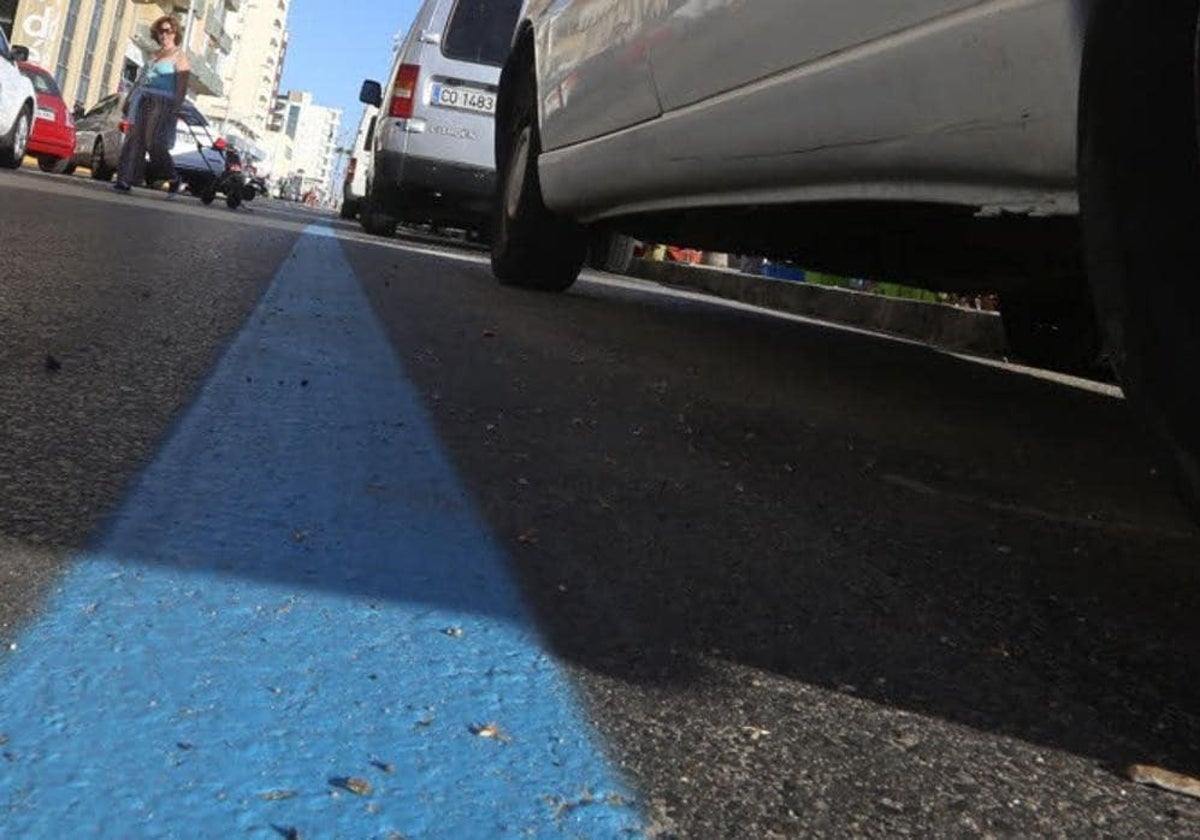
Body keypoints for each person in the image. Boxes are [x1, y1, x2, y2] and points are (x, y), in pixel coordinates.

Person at [114, 15, 190, 194]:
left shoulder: (180, 56)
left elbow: (182, 86)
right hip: (143, 98)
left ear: (175, 33)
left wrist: (176, 108)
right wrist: (129, 98)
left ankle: (172, 175)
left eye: (168, 31)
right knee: (133, 138)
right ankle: (125, 179)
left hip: (163, 101)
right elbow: (141, 80)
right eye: (160, 31)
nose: (164, 35)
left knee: (152, 141)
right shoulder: (154, 55)